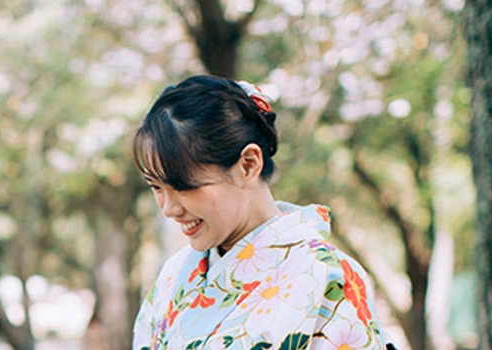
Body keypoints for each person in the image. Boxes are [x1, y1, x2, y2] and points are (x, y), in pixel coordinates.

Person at [130, 75, 390, 349]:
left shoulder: (327, 275)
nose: (169, 209)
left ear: (248, 165)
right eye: (156, 187)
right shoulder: (175, 273)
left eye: (185, 187)